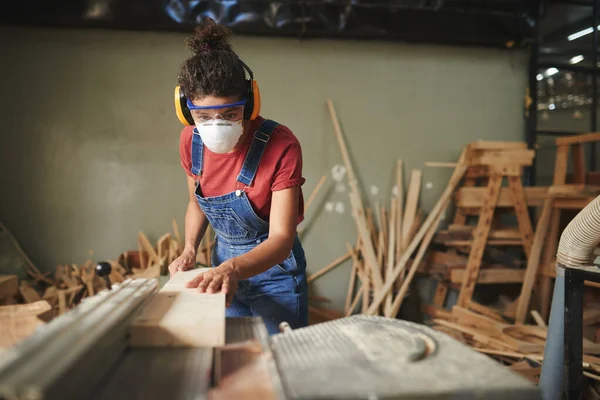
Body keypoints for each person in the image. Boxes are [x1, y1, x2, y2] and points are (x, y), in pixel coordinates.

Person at [168, 18, 308, 335]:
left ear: (249, 103)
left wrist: (233, 268)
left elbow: (282, 240)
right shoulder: (190, 141)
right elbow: (195, 203)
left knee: (283, 361)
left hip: (274, 274)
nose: (216, 126)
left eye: (229, 114)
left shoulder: (281, 145)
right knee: (232, 358)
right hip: (222, 268)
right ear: (186, 110)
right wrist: (190, 248)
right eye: (204, 116)